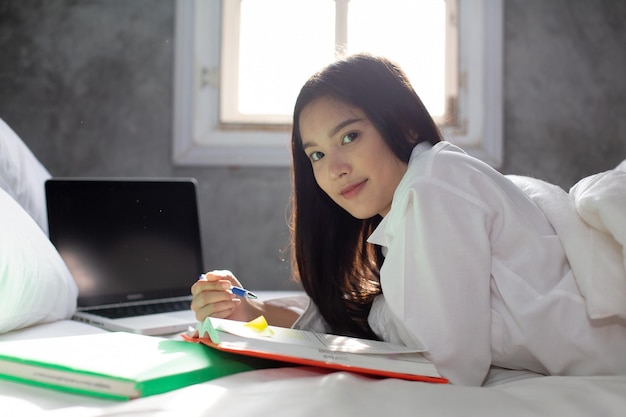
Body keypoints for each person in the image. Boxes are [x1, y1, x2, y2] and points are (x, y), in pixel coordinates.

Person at [191, 53, 626, 386]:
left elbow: (449, 363)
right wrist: (256, 311)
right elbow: (382, 322)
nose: (335, 167)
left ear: (401, 123)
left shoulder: (433, 183)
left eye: (349, 136)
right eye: (317, 154)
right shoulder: (405, 220)